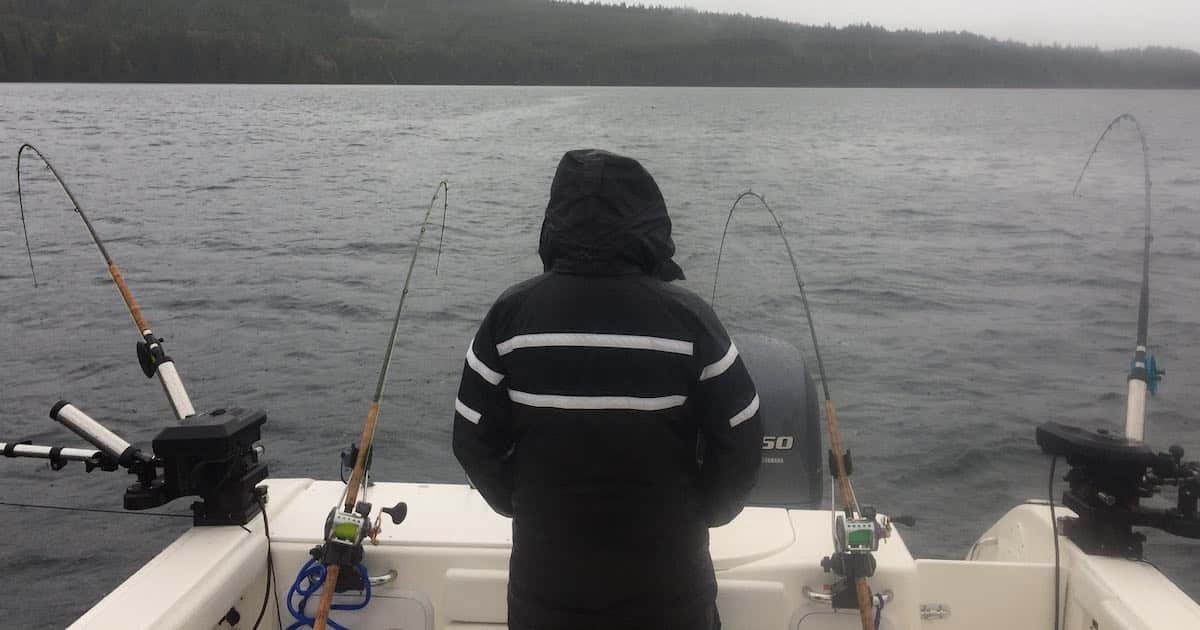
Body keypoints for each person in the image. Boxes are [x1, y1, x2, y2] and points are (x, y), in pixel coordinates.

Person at [452, 149, 763, 630]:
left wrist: (520, 502)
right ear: (648, 220)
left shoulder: (509, 318)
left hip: (545, 597)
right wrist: (702, 511)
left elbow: (470, 436)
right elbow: (742, 434)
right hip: (670, 597)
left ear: (554, 222)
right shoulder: (691, 320)